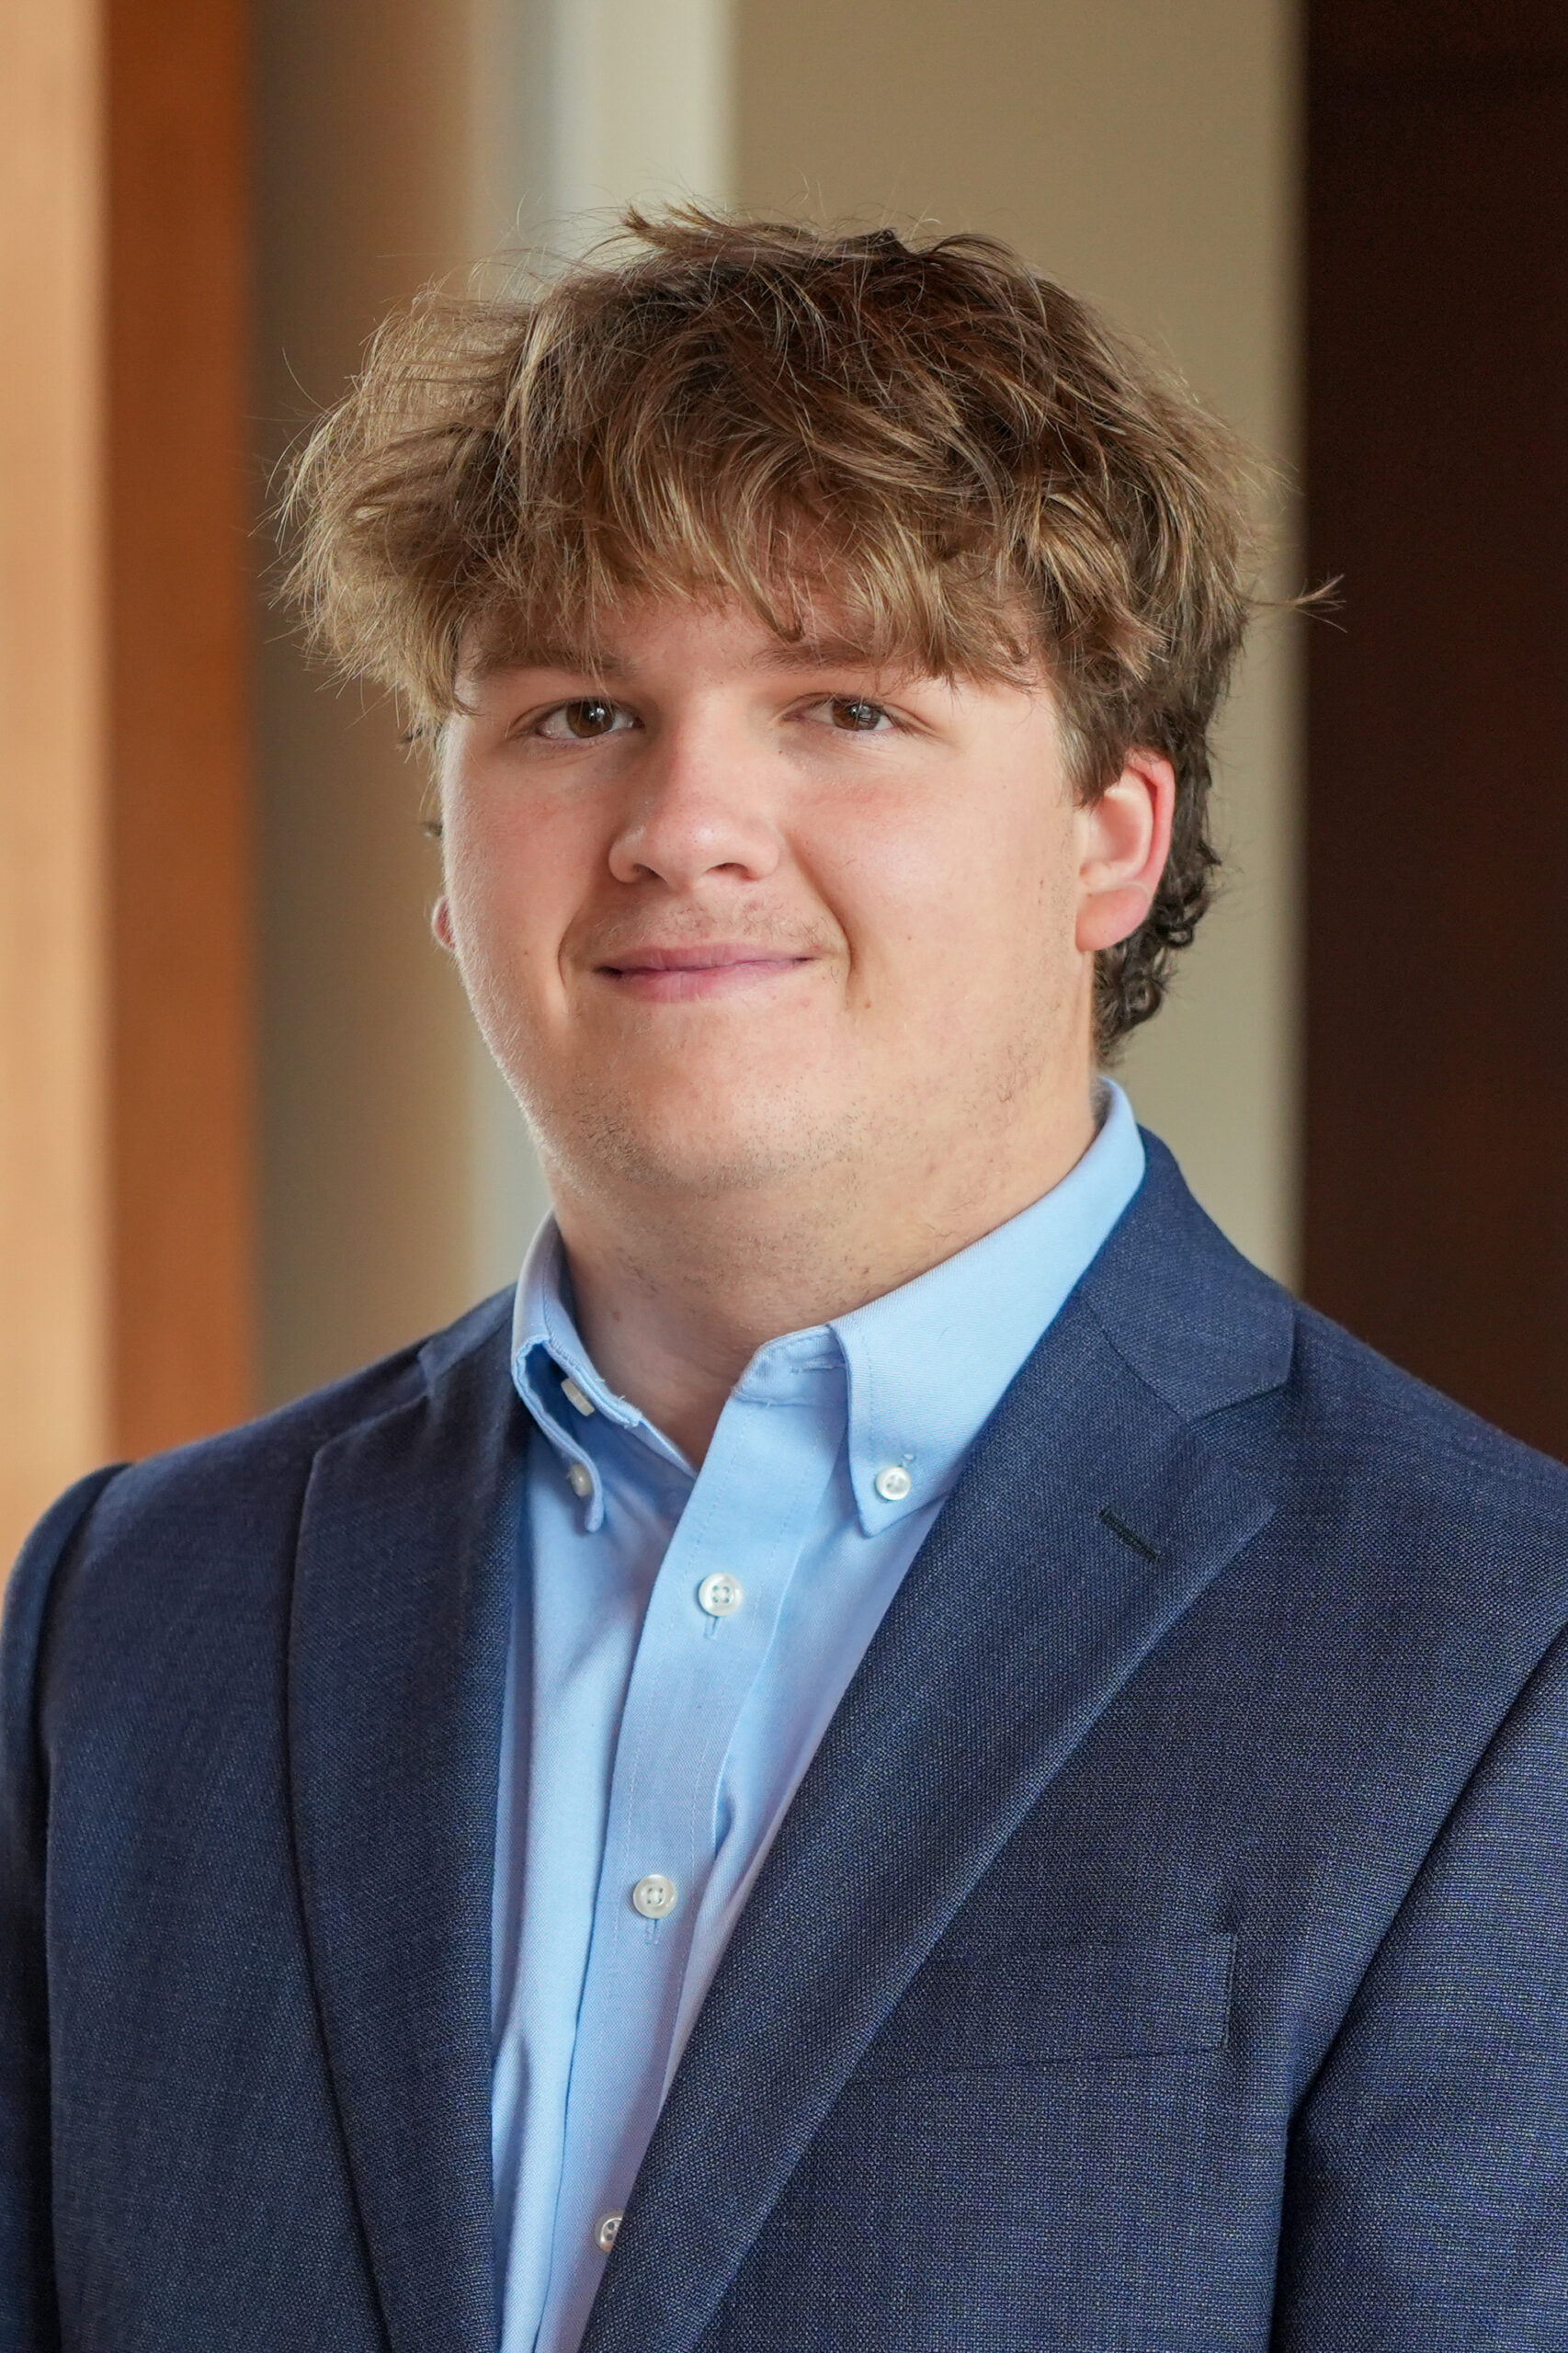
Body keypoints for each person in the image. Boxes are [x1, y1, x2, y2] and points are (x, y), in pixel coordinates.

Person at [5, 210, 1568, 2353]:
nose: (682, 822)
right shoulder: (134, 1603)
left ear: (1111, 836)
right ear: (447, 851)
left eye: (842, 703)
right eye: (573, 712)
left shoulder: (1497, 1654)